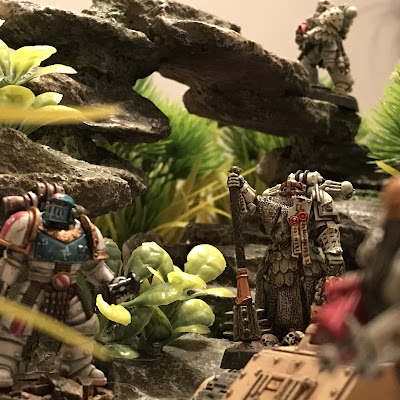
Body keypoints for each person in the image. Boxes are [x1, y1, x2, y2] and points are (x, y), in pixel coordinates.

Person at [0, 187, 138, 388]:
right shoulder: (31, 224)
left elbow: (94, 268)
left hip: (69, 290)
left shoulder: (85, 231)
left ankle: (76, 366)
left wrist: (112, 283)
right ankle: (4, 365)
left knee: (86, 325)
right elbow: (13, 261)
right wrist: (3, 285)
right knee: (15, 324)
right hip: (36, 287)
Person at [227, 170, 352, 339]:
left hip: (306, 261)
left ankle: (302, 334)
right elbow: (256, 204)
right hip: (276, 260)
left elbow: (328, 230)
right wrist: (242, 186)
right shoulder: (274, 197)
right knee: (273, 298)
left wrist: (334, 257)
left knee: (307, 296)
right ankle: (275, 333)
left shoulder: (318, 198)